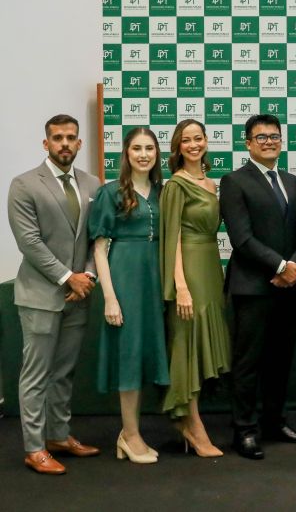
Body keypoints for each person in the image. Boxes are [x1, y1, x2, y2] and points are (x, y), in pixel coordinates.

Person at [8, 114, 101, 474]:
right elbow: (29, 242)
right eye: (58, 138)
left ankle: (58, 436)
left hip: (79, 295)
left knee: (64, 372)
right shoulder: (24, 184)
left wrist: (87, 276)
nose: (65, 143)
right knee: (36, 375)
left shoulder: (92, 184)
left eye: (71, 137)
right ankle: (34, 448)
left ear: (79, 143)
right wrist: (67, 277)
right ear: (46, 143)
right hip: (40, 295)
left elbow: (96, 237)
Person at [219, 114, 296, 460]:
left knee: (280, 359)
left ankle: (274, 422)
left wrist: (295, 265)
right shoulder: (233, 181)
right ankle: (244, 430)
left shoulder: (292, 181)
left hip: (288, 287)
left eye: (274, 136)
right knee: (248, 363)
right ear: (248, 143)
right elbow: (241, 238)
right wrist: (279, 266)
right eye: (261, 137)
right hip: (252, 287)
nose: (269, 142)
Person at [89, 127, 169, 464]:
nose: (143, 154)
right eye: (137, 148)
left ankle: (131, 434)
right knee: (128, 355)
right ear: (126, 153)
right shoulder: (110, 192)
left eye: (149, 148)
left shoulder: (163, 191)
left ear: (157, 153)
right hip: (125, 278)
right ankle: (130, 434)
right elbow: (99, 248)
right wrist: (109, 297)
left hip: (155, 278)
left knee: (144, 355)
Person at [160, 119, 231, 457]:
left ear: (206, 142)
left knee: (202, 343)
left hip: (210, 267)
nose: (193, 145)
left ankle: (191, 420)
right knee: (187, 342)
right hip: (187, 268)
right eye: (186, 140)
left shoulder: (212, 183)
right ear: (178, 146)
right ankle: (191, 424)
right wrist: (181, 286)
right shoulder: (175, 185)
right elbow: (171, 237)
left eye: (198, 138)